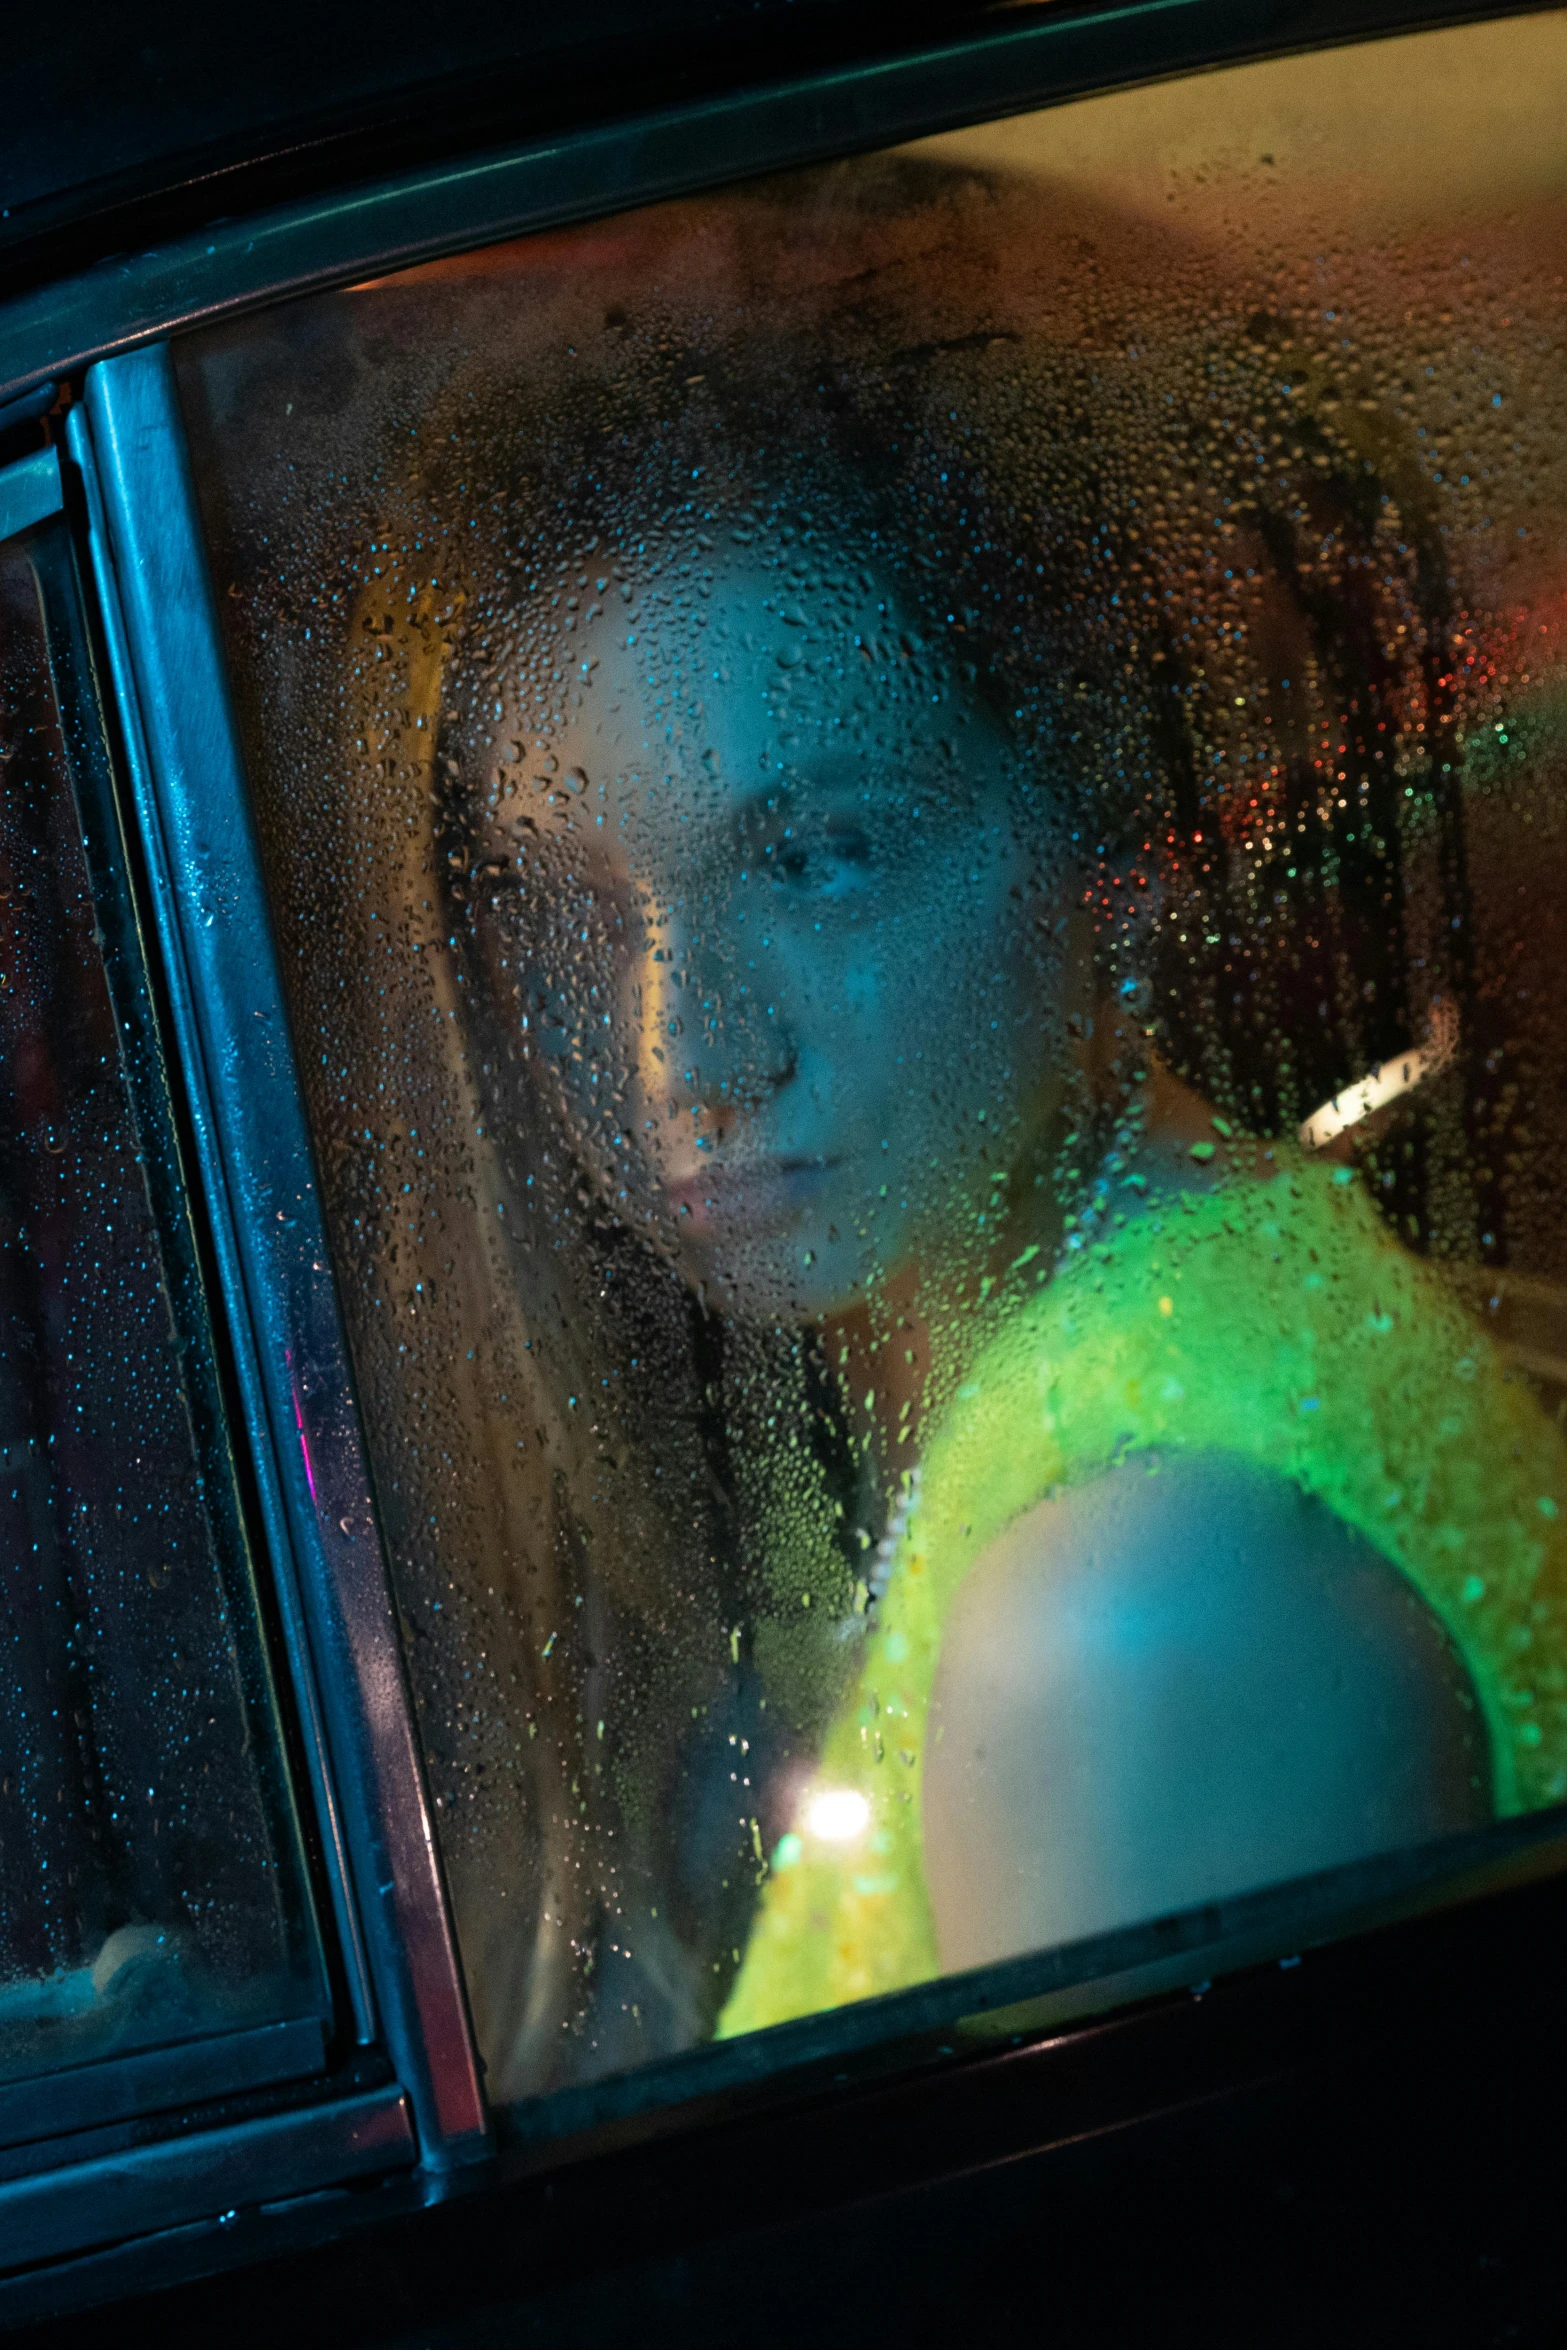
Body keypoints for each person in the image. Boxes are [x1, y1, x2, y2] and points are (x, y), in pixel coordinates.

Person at [413, 341, 1567, 2052]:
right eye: (573, 910)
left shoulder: (1134, 1598)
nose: (687, 1053)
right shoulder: (1135, 1309)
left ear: (1107, 862)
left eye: (816, 857)